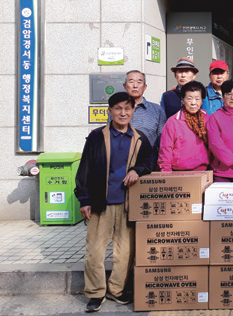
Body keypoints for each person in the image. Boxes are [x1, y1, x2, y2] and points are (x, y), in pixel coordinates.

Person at [75, 92, 154, 313]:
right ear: (110, 111)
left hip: (127, 204)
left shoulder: (140, 138)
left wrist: (137, 170)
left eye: (127, 109)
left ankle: (116, 290)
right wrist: (84, 199)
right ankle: (95, 293)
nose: (123, 113)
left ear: (133, 112)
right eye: (118, 108)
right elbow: (85, 168)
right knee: (95, 252)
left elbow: (149, 162)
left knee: (125, 252)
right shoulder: (97, 137)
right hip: (101, 203)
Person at [109, 70, 166, 158]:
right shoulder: (115, 110)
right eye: (131, 82)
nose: (135, 86)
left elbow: (163, 140)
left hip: (149, 162)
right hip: (121, 160)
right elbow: (110, 136)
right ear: (125, 86)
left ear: (145, 87)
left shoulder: (157, 110)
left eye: (139, 82)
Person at [158, 81, 210, 172]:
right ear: (182, 100)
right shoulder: (173, 121)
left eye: (197, 99)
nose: (193, 103)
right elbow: (166, 149)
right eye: (189, 99)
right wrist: (166, 171)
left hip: (203, 170)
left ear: (202, 101)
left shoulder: (207, 119)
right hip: (178, 172)